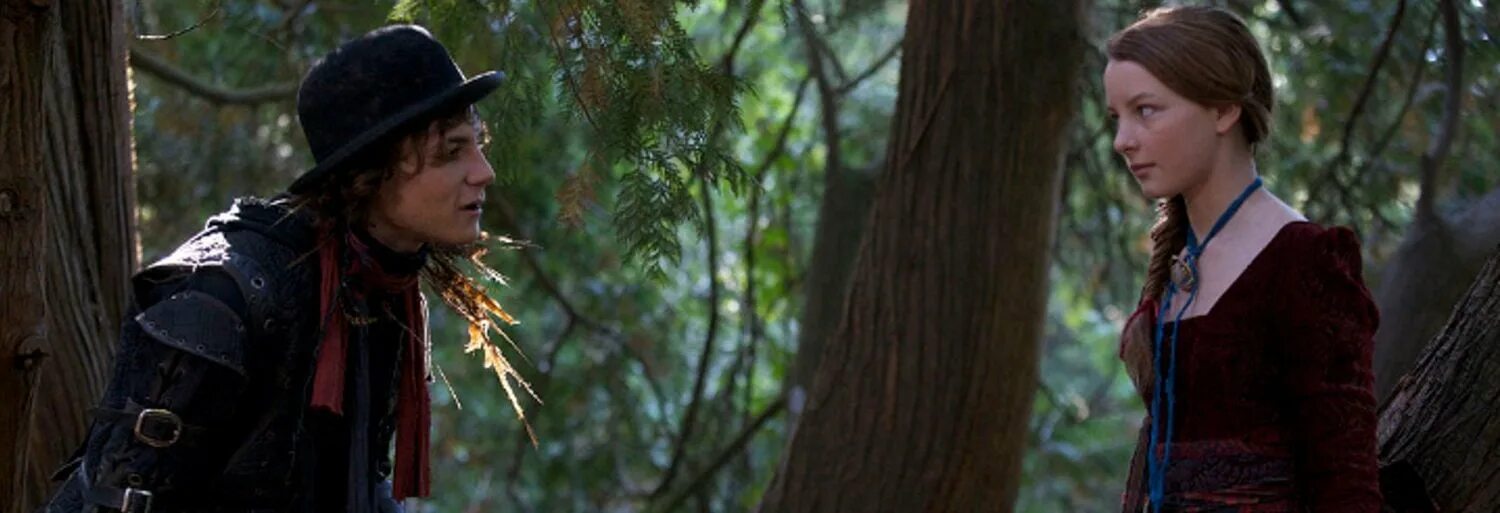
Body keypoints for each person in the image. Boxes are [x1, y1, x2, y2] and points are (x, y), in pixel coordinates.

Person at [43, 24, 520, 512]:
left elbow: (358, 486)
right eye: (452, 152)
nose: (484, 171)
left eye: (477, 145)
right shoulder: (222, 294)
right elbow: (116, 500)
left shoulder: (375, 288)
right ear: (371, 169)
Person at [1105, 6, 1382, 512]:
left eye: (1145, 110)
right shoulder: (1179, 256)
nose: (1123, 140)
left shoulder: (1305, 260)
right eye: (1117, 117)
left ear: (1223, 109)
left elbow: (1344, 481)